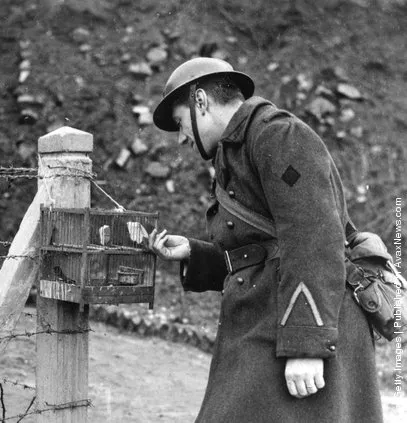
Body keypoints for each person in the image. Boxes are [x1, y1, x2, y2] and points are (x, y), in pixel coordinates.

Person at [149, 57, 383, 422]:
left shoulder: (277, 135)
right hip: (270, 324)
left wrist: (307, 346)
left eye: (180, 123)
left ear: (200, 101)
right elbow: (259, 254)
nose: (182, 138)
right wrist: (195, 254)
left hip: (307, 325)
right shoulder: (236, 149)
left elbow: (314, 234)